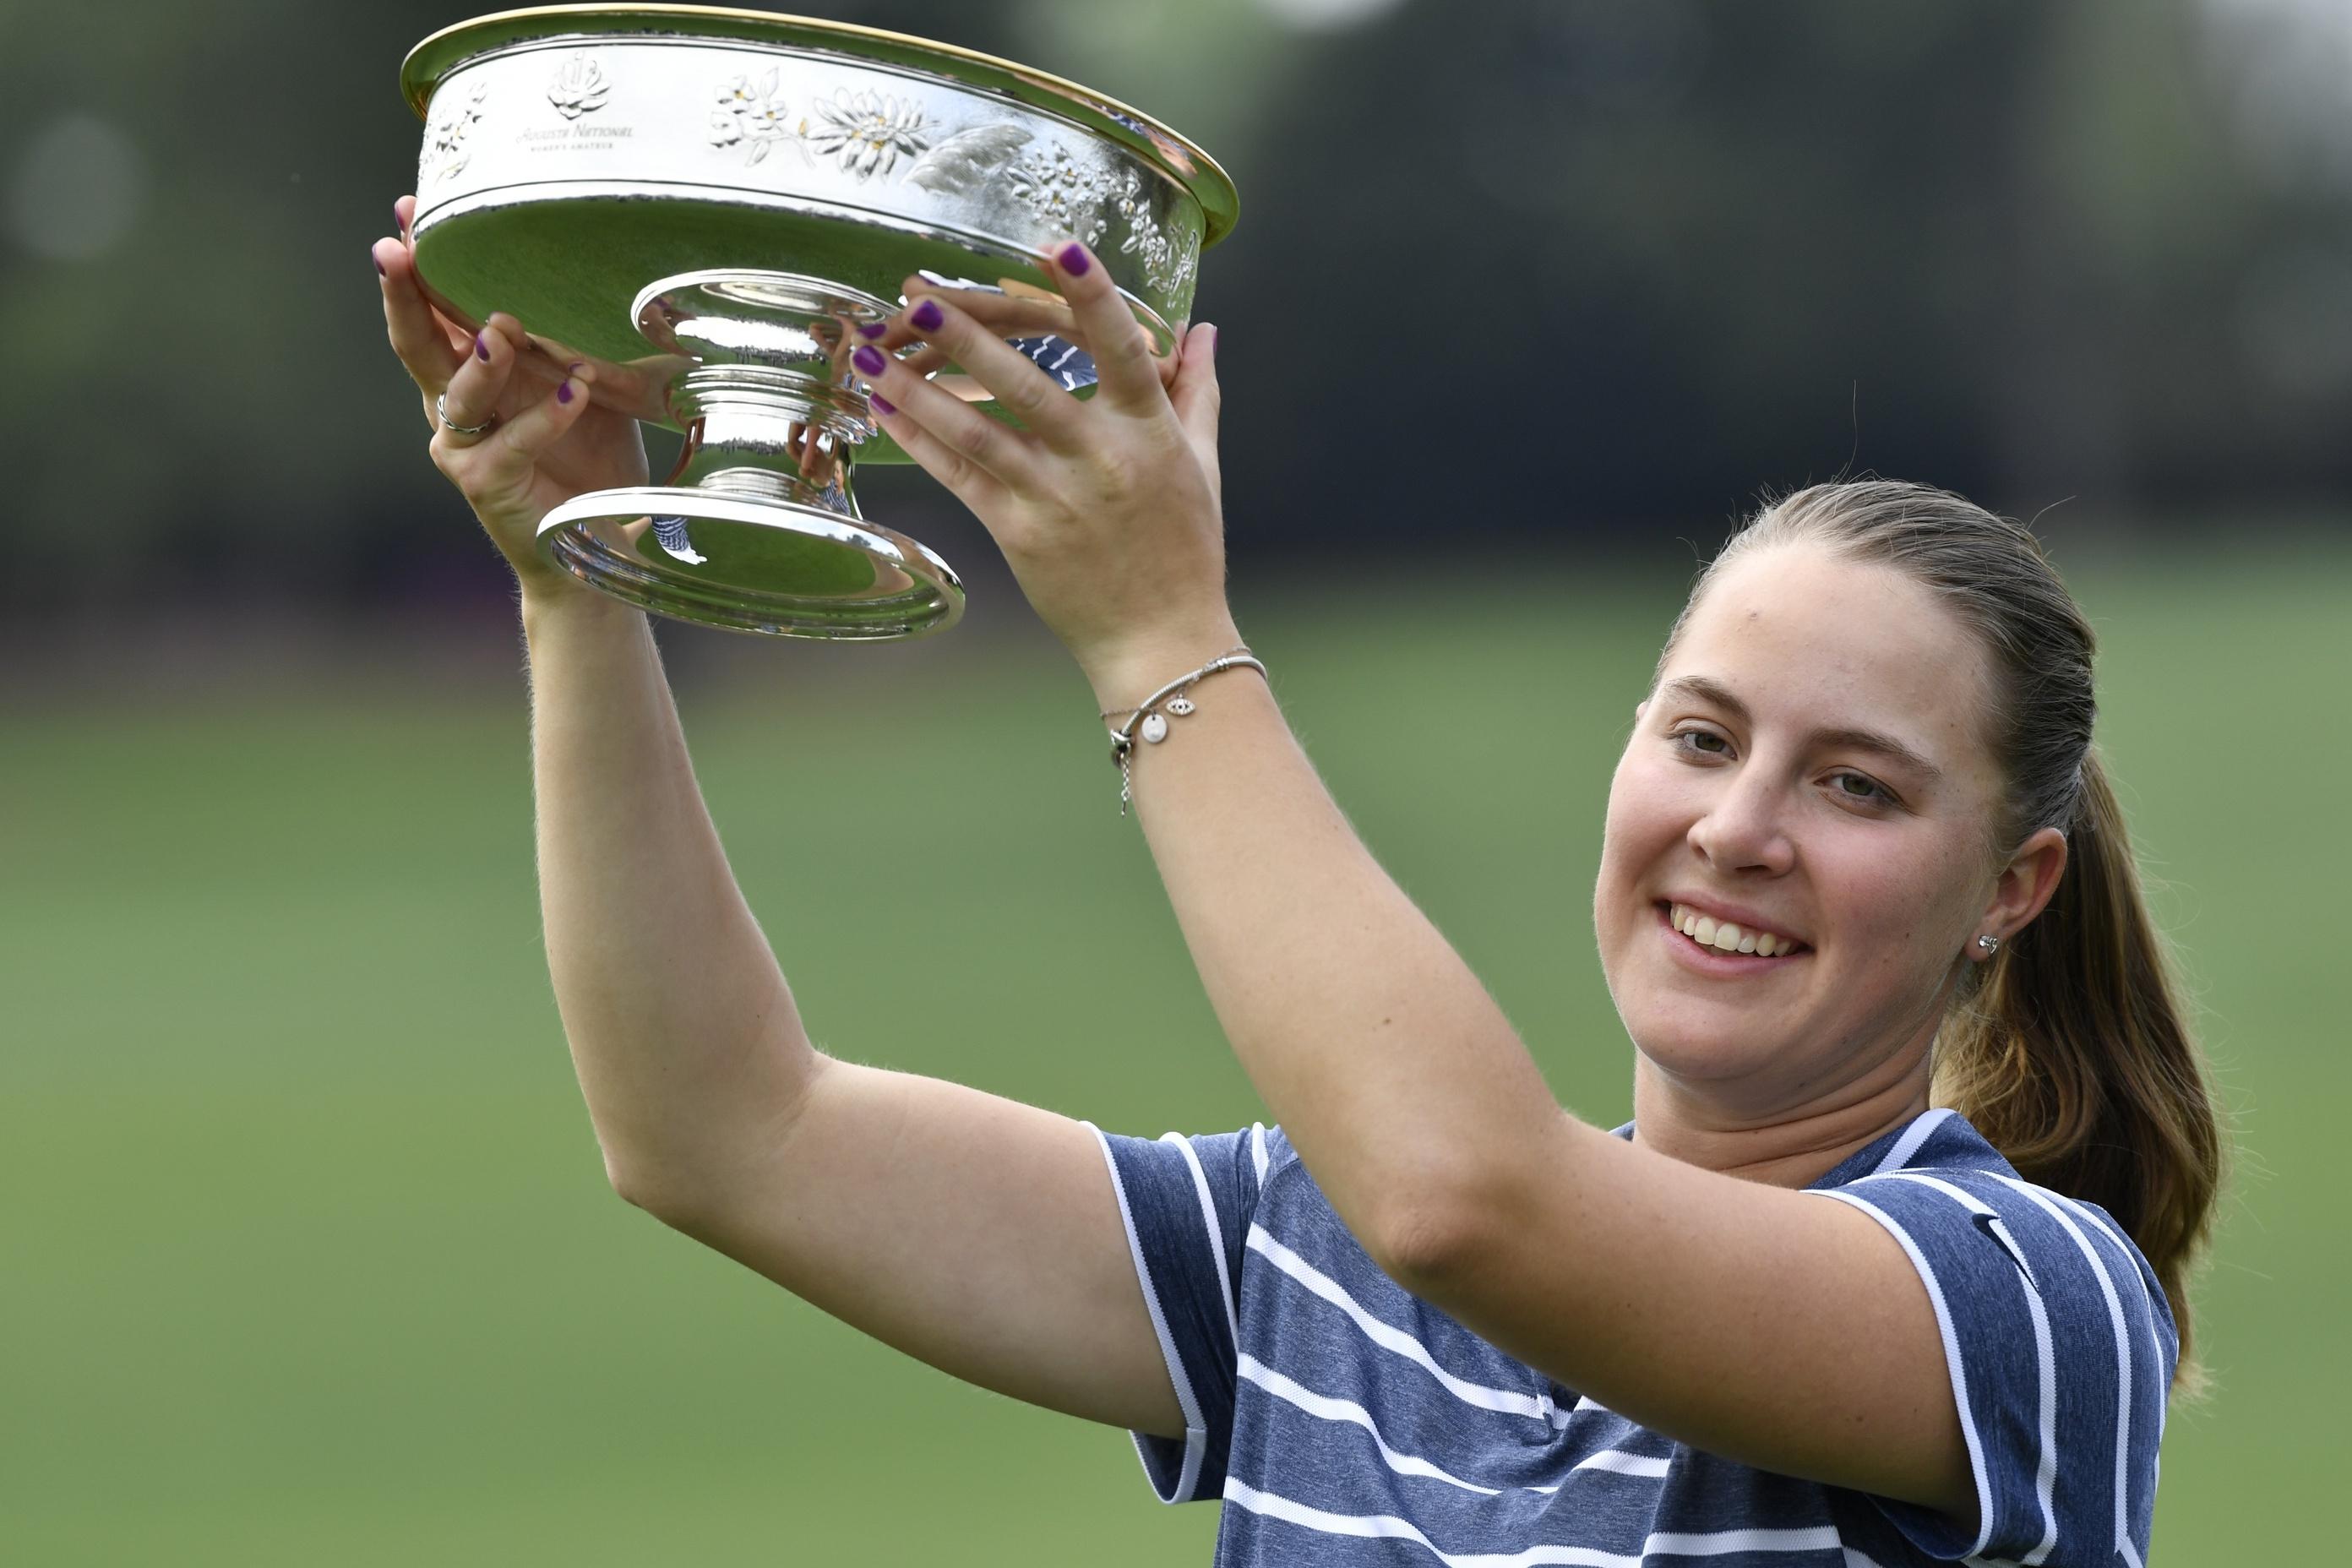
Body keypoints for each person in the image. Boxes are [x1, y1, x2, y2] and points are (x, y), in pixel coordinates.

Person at [372, 193, 2221, 1566]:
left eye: (1858, 785)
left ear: (2012, 885)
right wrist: (572, 588)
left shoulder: (2031, 1302)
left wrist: (1163, 634)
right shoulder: (1299, 1249)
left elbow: (1467, 1200)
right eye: (1702, 737)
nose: (1741, 828)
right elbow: (718, 1130)